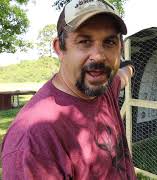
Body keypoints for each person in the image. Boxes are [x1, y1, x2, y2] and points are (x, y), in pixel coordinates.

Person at [1, 0, 136, 179]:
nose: (99, 56)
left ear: (120, 47)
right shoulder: (34, 140)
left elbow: (123, 74)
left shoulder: (105, 89)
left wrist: (131, 67)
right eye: (84, 41)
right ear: (59, 48)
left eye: (109, 42)